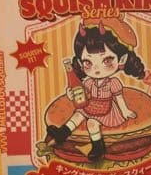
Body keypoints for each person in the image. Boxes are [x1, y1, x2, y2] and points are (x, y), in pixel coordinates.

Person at [45, 16, 145, 163]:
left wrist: (125, 111)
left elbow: (119, 98)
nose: (97, 69)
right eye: (88, 62)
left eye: (107, 60)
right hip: (90, 106)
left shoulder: (113, 83)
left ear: (122, 60)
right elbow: (81, 95)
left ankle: (98, 147)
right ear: (80, 63)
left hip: (107, 112)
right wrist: (71, 95)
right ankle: (62, 133)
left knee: (92, 123)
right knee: (77, 115)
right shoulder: (88, 82)